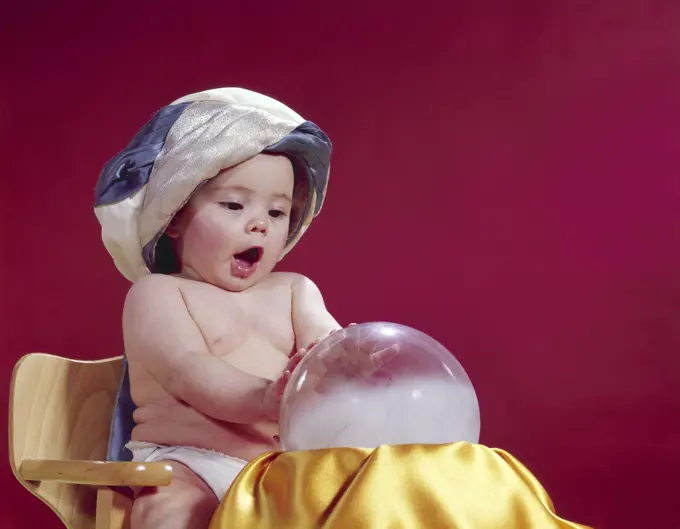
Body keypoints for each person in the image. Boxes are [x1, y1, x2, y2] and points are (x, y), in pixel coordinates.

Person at [94, 87, 342, 529]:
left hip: (283, 471)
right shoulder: (160, 295)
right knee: (167, 512)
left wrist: (356, 363)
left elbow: (329, 353)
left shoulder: (295, 292)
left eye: (278, 212)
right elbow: (191, 369)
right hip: (193, 464)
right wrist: (264, 398)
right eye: (234, 204)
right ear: (174, 217)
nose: (260, 223)